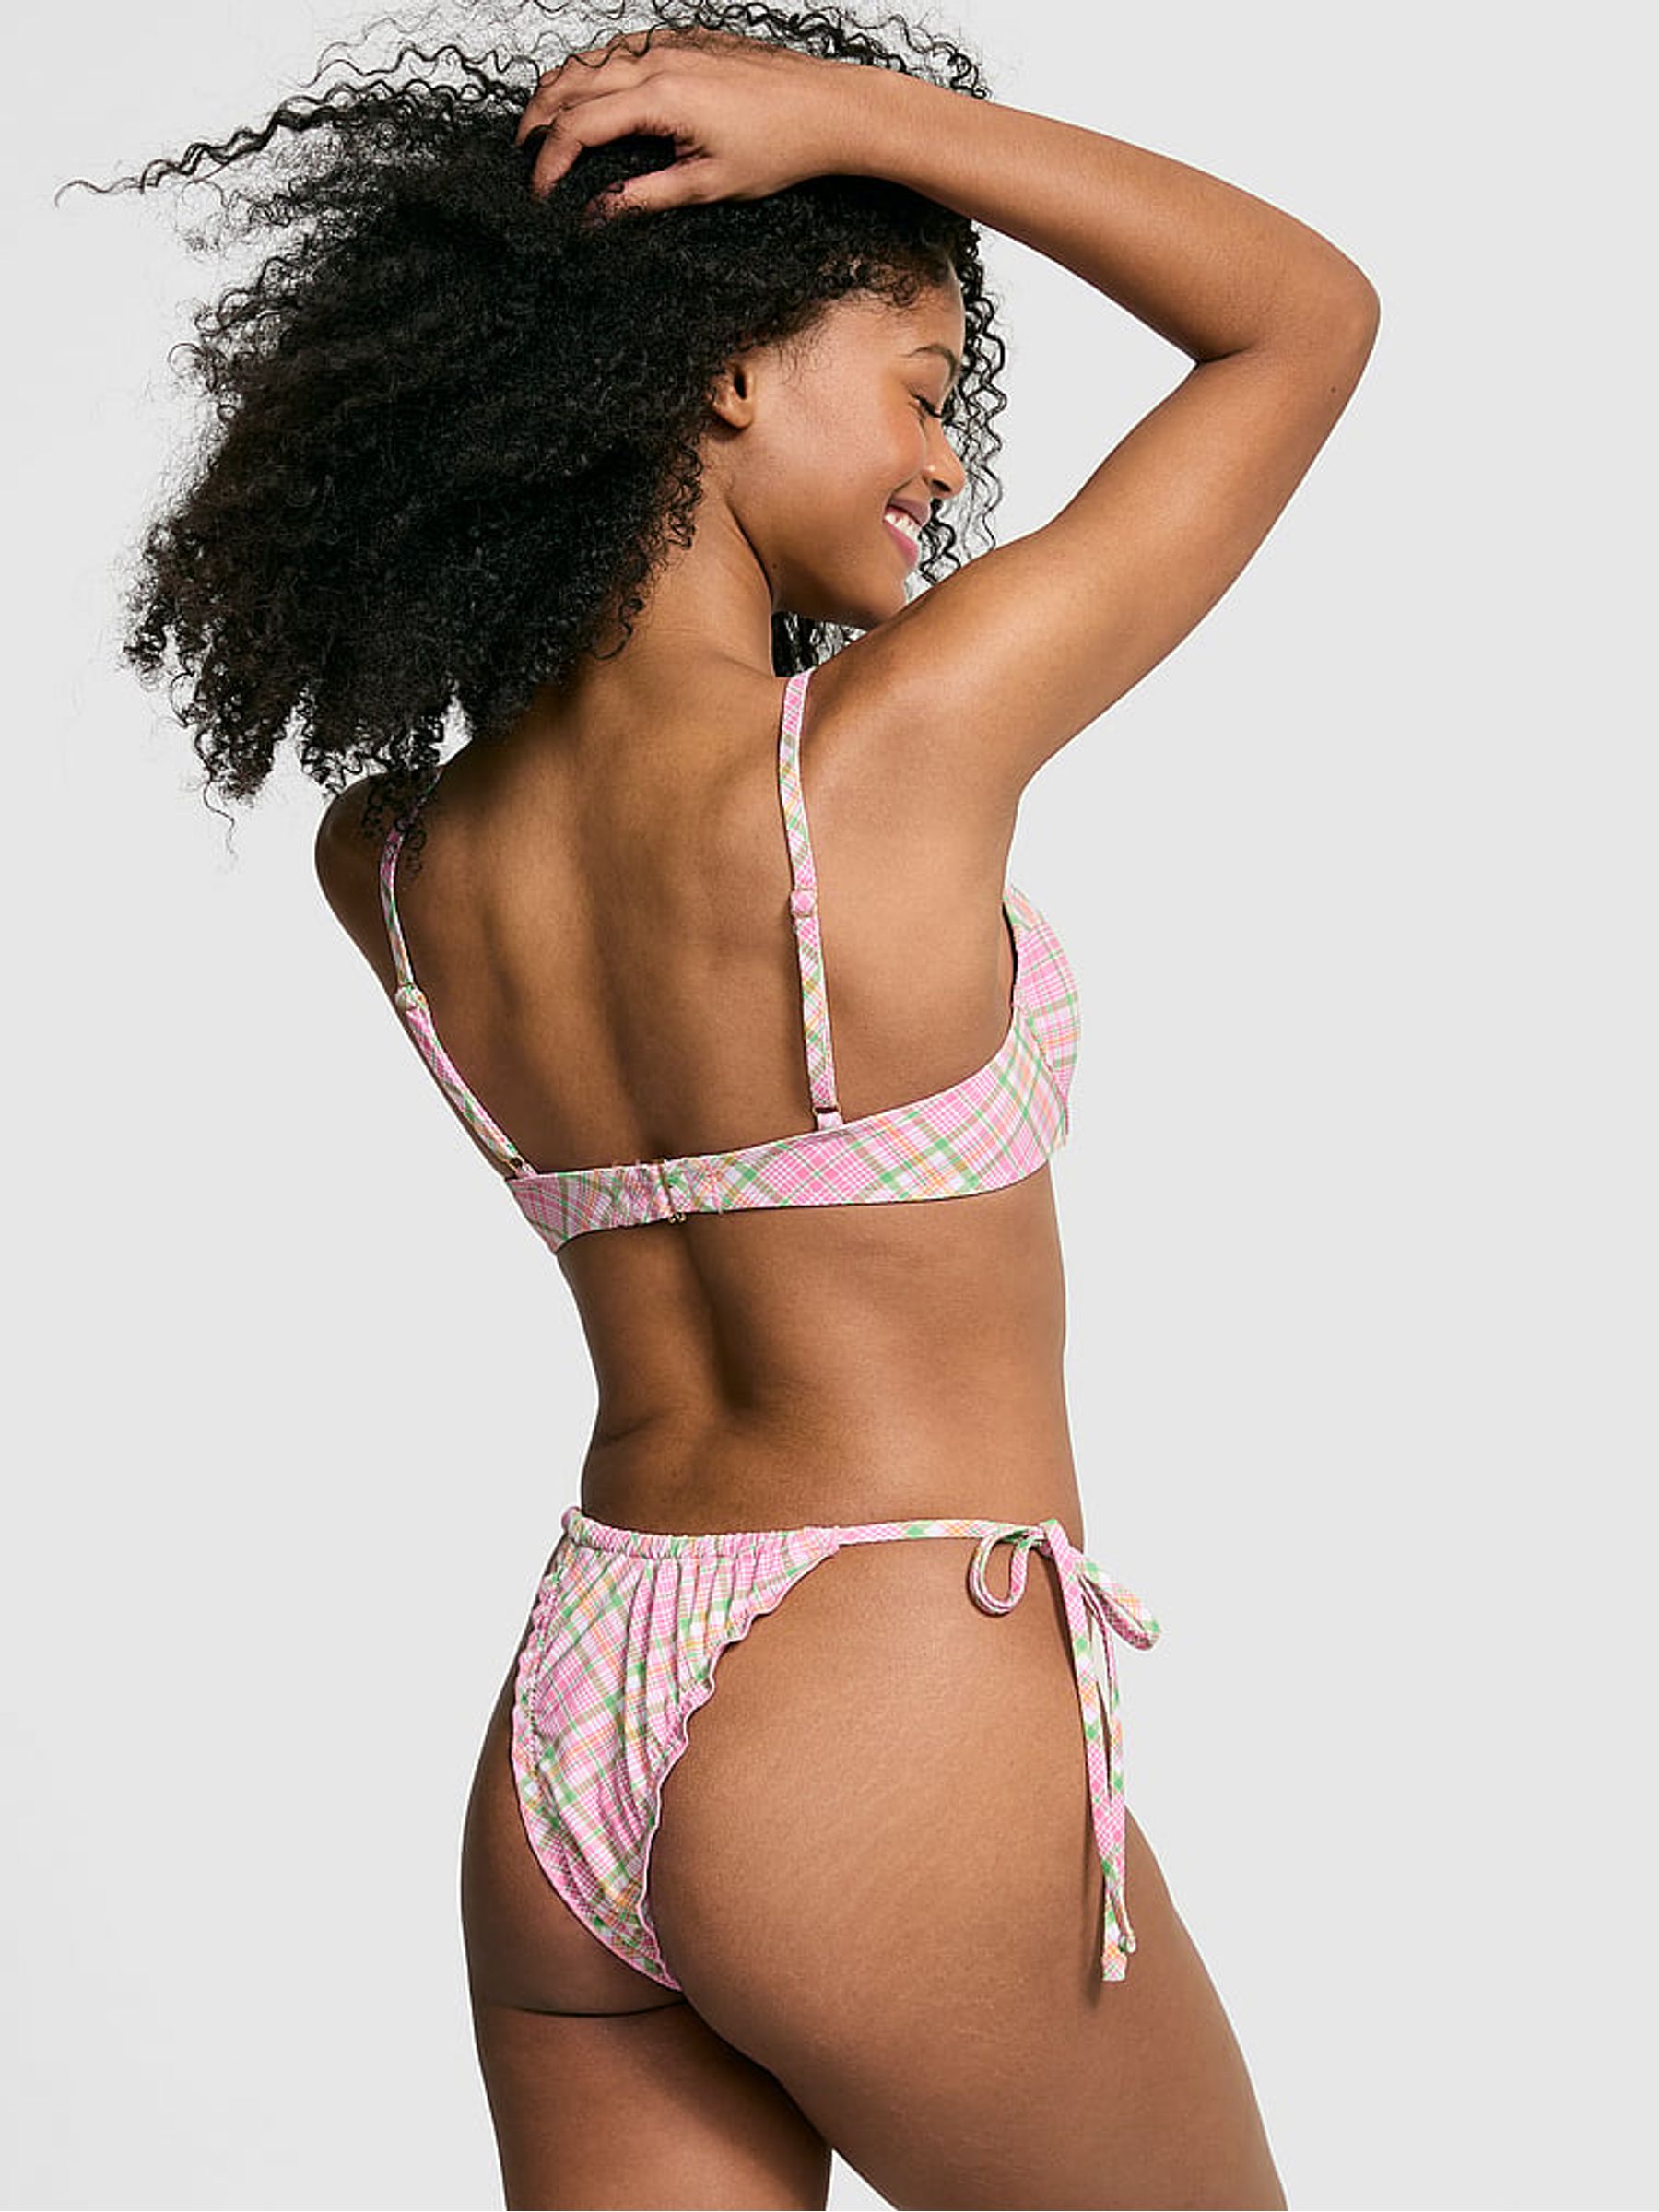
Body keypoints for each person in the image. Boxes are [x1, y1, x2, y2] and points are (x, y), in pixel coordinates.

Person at [107, 7, 1377, 2203]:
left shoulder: (395, 863)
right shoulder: (876, 765)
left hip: (570, 1744)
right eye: (921, 383)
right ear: (721, 372)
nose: (948, 464)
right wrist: (866, 123)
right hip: (881, 1708)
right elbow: (1303, 319)